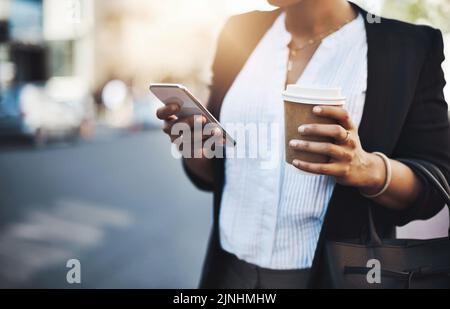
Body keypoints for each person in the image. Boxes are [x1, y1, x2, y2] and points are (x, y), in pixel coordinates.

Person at [156, 0, 450, 288]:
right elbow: (217, 173)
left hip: (333, 275)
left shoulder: (407, 46)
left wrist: (365, 168)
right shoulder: (240, 31)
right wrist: (196, 148)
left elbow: (437, 181)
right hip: (228, 269)